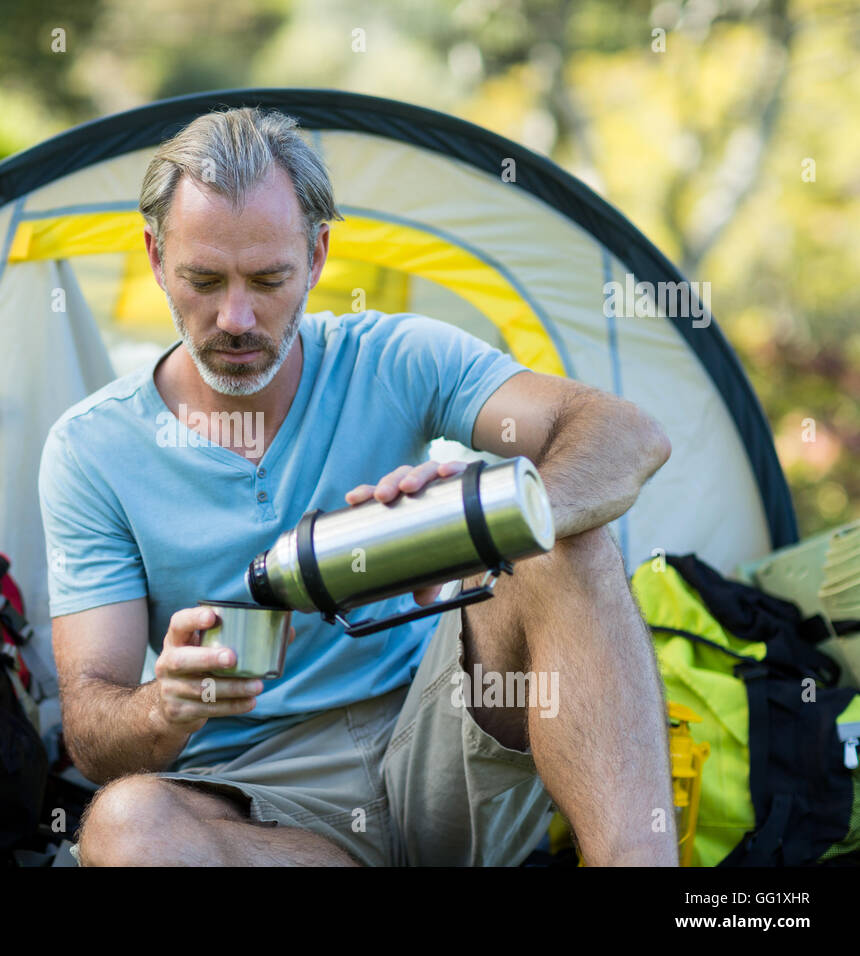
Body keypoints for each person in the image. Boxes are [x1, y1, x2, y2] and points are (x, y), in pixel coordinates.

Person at [37, 106, 677, 866]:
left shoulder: (395, 358)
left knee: (563, 539)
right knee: (122, 825)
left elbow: (626, 435)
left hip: (442, 739)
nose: (235, 317)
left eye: (268, 279)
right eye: (203, 279)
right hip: (266, 807)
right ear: (153, 258)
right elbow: (93, 732)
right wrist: (161, 706)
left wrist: (491, 517)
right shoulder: (92, 450)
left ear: (317, 254)